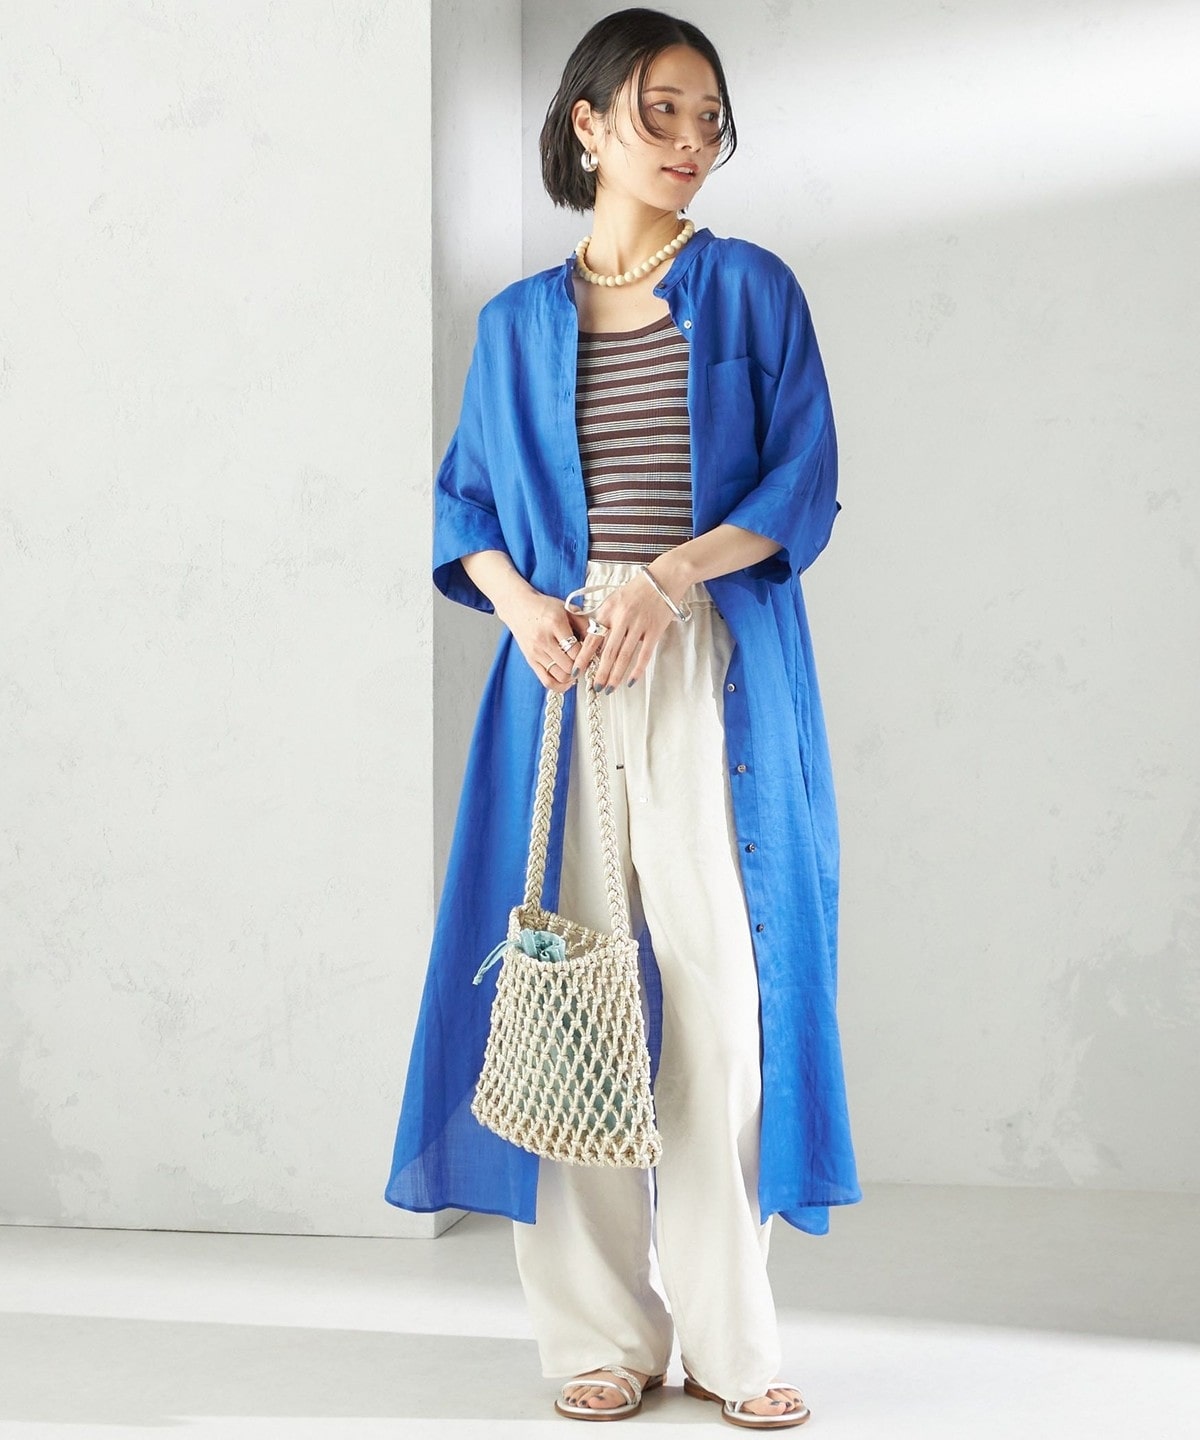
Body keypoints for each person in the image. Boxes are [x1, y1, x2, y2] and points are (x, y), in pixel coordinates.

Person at [384, 6, 862, 1427]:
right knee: (568, 990)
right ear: (588, 124)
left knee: (722, 999)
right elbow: (465, 506)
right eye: (660, 111)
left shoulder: (751, 289)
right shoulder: (516, 323)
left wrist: (666, 577)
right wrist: (523, 606)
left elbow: (802, 481)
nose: (690, 140)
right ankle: (598, 1334)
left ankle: (731, 1339)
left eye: (709, 117)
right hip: (559, 679)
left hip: (707, 659)